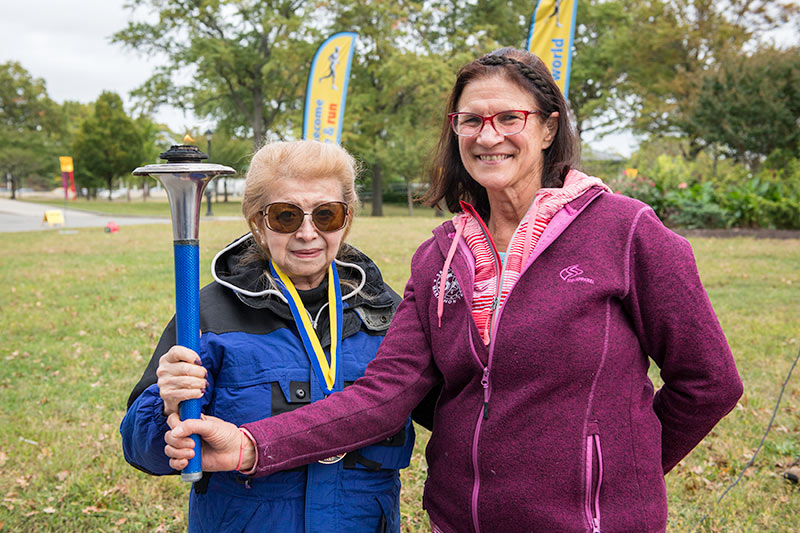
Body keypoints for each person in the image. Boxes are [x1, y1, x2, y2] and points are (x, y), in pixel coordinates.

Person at [163, 48, 743, 532]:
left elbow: (709, 382)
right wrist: (250, 446)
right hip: (458, 520)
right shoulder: (440, 254)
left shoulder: (627, 231)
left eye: (508, 118)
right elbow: (386, 395)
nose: (488, 136)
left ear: (546, 126)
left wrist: (615, 470)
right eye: (471, 120)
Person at [120, 140, 417, 532]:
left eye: (327, 214)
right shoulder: (207, 314)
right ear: (257, 221)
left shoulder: (384, 309)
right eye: (285, 216)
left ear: (348, 219)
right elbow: (142, 448)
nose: (308, 233)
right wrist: (166, 407)